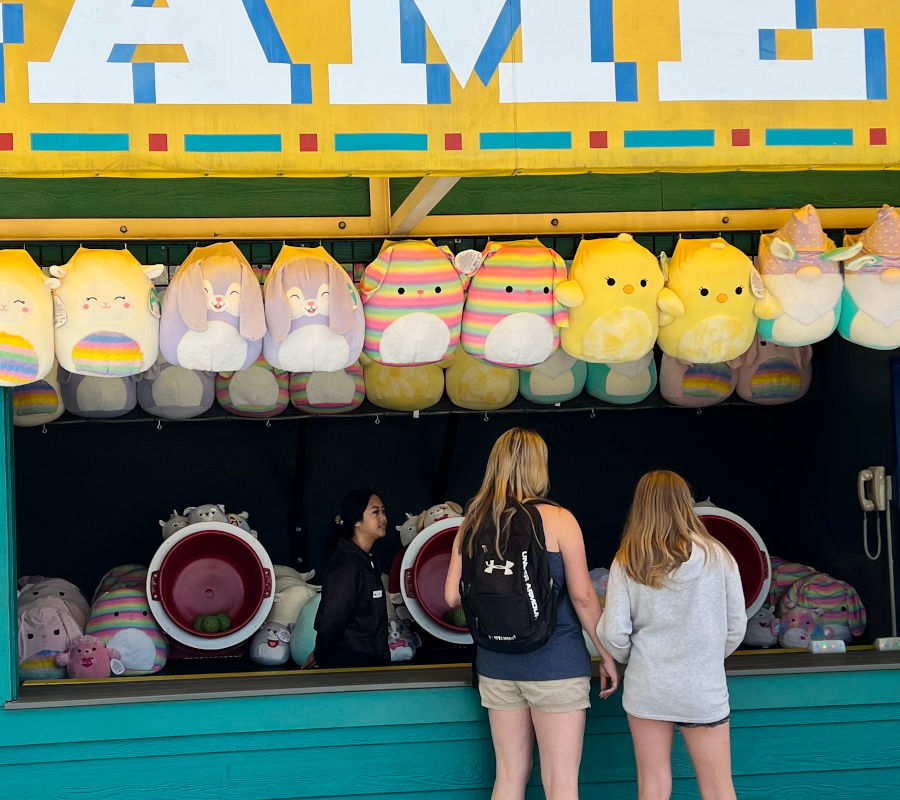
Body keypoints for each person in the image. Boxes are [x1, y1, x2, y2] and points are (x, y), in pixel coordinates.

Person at [444, 427, 619, 800]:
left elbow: (451, 598)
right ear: (538, 466)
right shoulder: (559, 519)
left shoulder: (472, 523)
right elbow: (584, 598)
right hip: (555, 666)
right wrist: (607, 654)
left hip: (496, 666)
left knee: (508, 777)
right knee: (560, 783)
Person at [596, 470, 747, 800]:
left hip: (649, 686)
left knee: (653, 786)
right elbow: (737, 627)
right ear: (686, 504)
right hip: (702, 688)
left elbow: (614, 633)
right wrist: (704, 656)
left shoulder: (627, 559)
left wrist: (627, 658)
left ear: (641, 507)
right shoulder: (719, 557)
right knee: (719, 787)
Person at [304, 489, 391, 669]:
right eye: (375, 512)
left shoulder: (370, 559)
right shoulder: (346, 565)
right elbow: (332, 618)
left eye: (383, 511)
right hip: (349, 664)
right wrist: (321, 654)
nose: (383, 518)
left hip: (372, 660)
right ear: (357, 520)